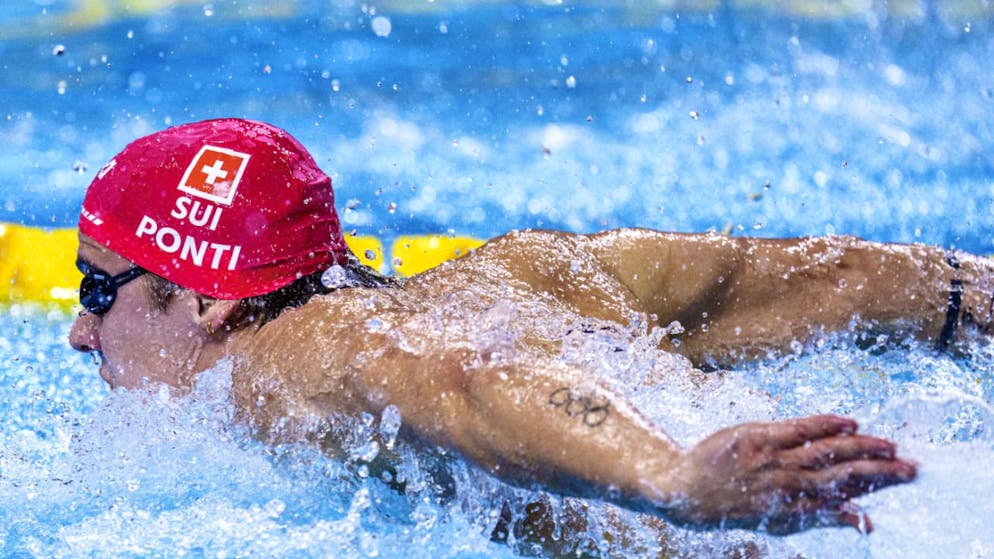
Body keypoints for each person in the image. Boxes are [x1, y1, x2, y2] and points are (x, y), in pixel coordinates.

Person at [70, 118, 988, 541]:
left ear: (210, 300)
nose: (80, 330)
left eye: (99, 288)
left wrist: (675, 477)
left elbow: (464, 377)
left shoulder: (279, 366)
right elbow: (829, 278)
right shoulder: (524, 270)